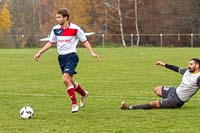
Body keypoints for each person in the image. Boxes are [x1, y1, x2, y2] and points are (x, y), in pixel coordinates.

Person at [34, 8, 99, 113]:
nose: (57, 19)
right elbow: (50, 42)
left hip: (72, 56)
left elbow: (85, 41)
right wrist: (39, 52)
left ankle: (74, 104)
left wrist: (92, 52)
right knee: (70, 81)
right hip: (61, 58)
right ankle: (83, 94)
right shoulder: (55, 29)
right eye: (56, 17)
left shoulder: (75, 29)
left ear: (65, 18)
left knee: (65, 79)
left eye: (59, 17)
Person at [121, 58, 200, 110]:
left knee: (154, 104)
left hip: (176, 100)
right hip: (174, 91)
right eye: (189, 64)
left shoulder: (198, 77)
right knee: (157, 89)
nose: (188, 66)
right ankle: (166, 102)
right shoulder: (187, 71)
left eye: (191, 64)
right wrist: (164, 64)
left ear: (197, 65)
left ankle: (128, 108)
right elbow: (176, 68)